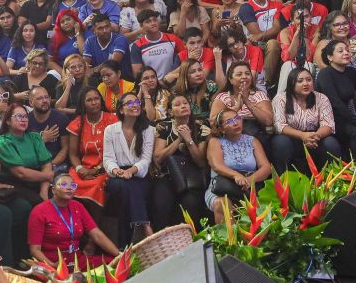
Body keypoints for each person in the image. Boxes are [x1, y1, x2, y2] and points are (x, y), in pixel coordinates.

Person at [27, 172, 120, 270]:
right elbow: (34, 250)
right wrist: (51, 265)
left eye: (73, 185)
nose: (69, 188)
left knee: (115, 264)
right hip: (53, 264)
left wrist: (119, 255)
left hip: (77, 262)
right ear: (53, 190)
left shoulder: (77, 206)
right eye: (63, 184)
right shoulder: (39, 211)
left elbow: (96, 234)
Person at [102, 92, 155, 246]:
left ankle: (122, 246)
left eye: (137, 102)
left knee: (126, 192)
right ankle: (144, 223)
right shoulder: (110, 130)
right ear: (121, 109)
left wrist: (131, 171)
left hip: (139, 175)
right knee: (122, 185)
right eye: (130, 103)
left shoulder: (148, 130)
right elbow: (107, 159)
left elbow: (146, 160)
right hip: (118, 175)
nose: (135, 106)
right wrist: (116, 171)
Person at [152, 94, 211, 226]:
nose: (183, 106)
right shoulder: (164, 127)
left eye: (185, 103)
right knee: (161, 204)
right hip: (167, 176)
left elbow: (201, 161)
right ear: (170, 112)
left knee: (191, 204)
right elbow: (158, 158)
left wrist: (188, 139)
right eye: (178, 104)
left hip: (191, 176)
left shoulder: (202, 128)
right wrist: (179, 138)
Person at [315, 39, 356, 155]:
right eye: (340, 51)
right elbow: (335, 103)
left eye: (347, 50)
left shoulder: (351, 72)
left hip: (346, 117)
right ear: (330, 57)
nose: (346, 53)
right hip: (329, 120)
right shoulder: (325, 74)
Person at [206, 109, 273, 222]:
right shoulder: (215, 141)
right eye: (229, 121)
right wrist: (236, 176)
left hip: (248, 188)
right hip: (222, 188)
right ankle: (230, 240)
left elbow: (266, 167)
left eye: (237, 118)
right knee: (222, 204)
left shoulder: (252, 141)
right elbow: (217, 165)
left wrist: (249, 180)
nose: (236, 123)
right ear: (221, 129)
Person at [270, 67, 340, 171]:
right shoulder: (280, 98)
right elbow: (280, 126)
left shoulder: (321, 98)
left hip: (314, 138)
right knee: (281, 142)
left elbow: (328, 124)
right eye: (300, 81)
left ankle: (328, 180)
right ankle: (283, 180)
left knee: (331, 143)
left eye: (309, 80)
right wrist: (302, 135)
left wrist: (316, 136)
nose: (306, 83)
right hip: (291, 138)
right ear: (291, 83)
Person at [67, 86, 118, 209]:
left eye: (97, 99)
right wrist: (80, 169)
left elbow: (115, 153)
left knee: (97, 184)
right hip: (82, 168)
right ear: (83, 104)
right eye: (89, 100)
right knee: (69, 184)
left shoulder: (112, 120)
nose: (94, 102)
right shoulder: (77, 123)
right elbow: (73, 154)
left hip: (106, 167)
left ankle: (94, 226)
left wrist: (95, 170)